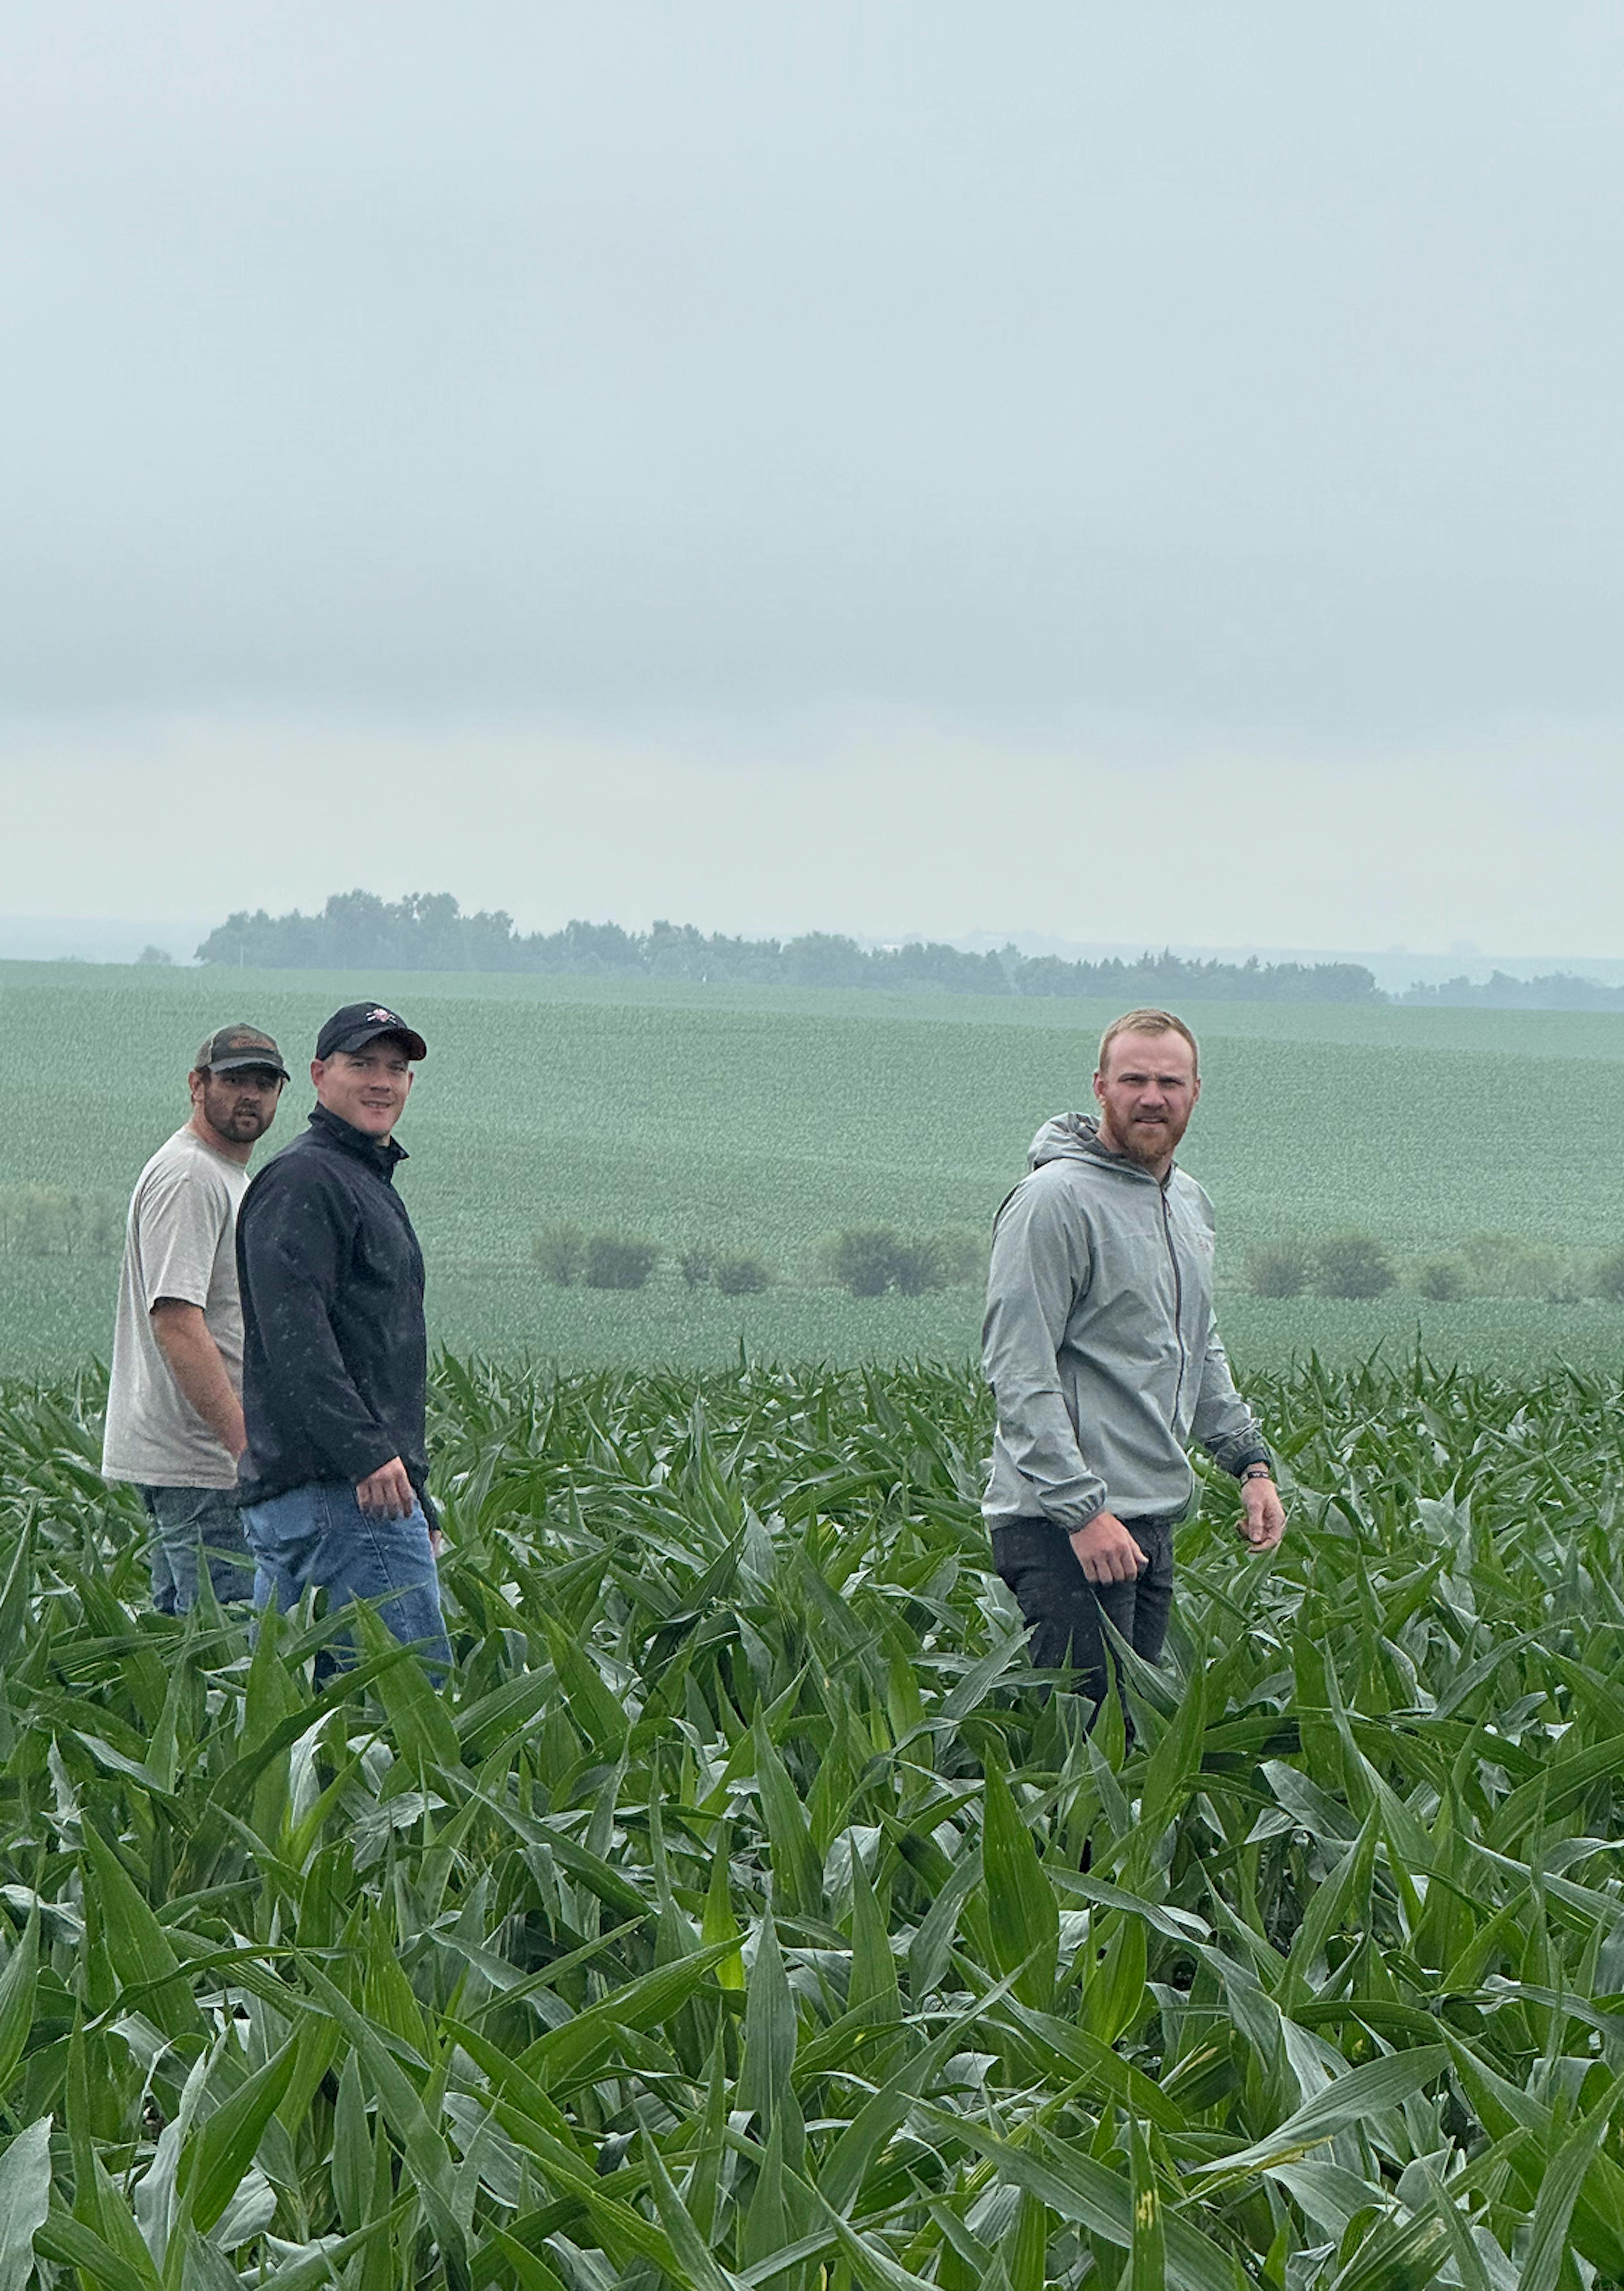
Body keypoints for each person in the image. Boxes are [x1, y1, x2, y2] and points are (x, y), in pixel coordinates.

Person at [982, 1006, 1285, 1720]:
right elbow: (1019, 1369)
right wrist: (1082, 1511)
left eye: (1170, 1082)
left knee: (1133, 1745)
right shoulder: (1054, 1201)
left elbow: (1195, 1343)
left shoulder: (1188, 1202)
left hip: (1149, 1519)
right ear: (1100, 1087)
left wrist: (1250, 1463)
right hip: (1064, 1526)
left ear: (1195, 1092)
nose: (1153, 1097)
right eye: (1134, 1080)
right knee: (1084, 1749)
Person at [234, 1001, 449, 1670]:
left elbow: (372, 1352)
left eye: (396, 1067)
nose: (382, 1081)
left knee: (304, 1708)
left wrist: (417, 1494)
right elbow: (296, 1339)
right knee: (406, 1703)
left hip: (351, 1492)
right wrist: (369, 1457)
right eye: (362, 1064)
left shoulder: (358, 1178)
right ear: (320, 1074)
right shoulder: (306, 1179)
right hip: (343, 1497)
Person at [102, 1025, 290, 1612]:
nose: (250, 1095)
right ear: (197, 1085)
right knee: (220, 1643)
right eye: (234, 1080)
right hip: (204, 1466)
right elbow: (177, 1321)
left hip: (203, 1465)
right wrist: (245, 1447)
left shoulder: (222, 1174)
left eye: (264, 1083)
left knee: (184, 1638)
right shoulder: (191, 1176)